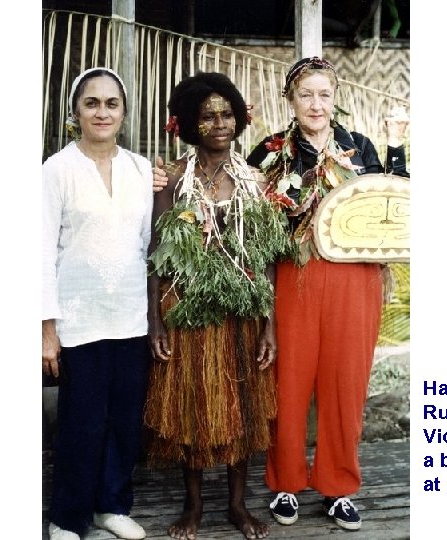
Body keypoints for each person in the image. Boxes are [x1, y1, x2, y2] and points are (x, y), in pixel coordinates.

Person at [244, 56, 410, 531]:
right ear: (290, 100)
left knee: (345, 384)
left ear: (334, 98)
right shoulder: (271, 150)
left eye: (324, 94)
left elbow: (395, 205)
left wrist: (395, 145)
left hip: (355, 278)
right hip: (295, 278)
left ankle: (337, 485)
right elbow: (249, 214)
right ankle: (286, 482)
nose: (315, 104)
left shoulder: (357, 148)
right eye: (305, 94)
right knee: (289, 382)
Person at [143, 72, 292, 540]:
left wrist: (270, 326)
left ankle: (236, 505)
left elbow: (266, 257)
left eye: (226, 113)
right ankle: (193, 506)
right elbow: (157, 253)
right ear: (189, 123)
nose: (220, 123)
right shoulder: (173, 181)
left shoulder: (253, 181)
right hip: (188, 313)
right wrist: (155, 321)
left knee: (243, 409)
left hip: (243, 315)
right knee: (192, 405)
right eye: (207, 116)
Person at [42, 67, 153, 540]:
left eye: (111, 103)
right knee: (81, 424)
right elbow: (40, 251)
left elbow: (147, 244)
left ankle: (112, 507)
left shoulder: (142, 169)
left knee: (125, 420)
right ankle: (67, 517)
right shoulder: (56, 170)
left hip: (131, 317)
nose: (102, 112)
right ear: (76, 112)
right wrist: (46, 329)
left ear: (124, 113)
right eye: (92, 103)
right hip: (79, 319)